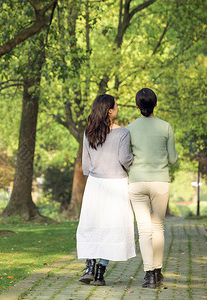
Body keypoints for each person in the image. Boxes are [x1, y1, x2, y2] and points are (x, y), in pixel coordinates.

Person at [76, 94, 135, 286]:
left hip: (95, 184)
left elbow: (85, 164)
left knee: (91, 225)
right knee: (112, 228)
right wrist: (135, 159)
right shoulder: (123, 133)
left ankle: (89, 268)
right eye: (116, 106)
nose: (118, 109)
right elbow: (125, 159)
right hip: (116, 184)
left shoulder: (88, 132)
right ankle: (100, 273)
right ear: (110, 111)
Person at [126, 88, 178, 288]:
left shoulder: (130, 128)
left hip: (137, 182)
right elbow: (172, 159)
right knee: (157, 227)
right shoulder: (166, 127)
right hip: (160, 182)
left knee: (144, 230)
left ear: (137, 106)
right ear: (155, 104)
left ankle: (149, 276)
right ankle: (157, 272)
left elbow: (126, 157)